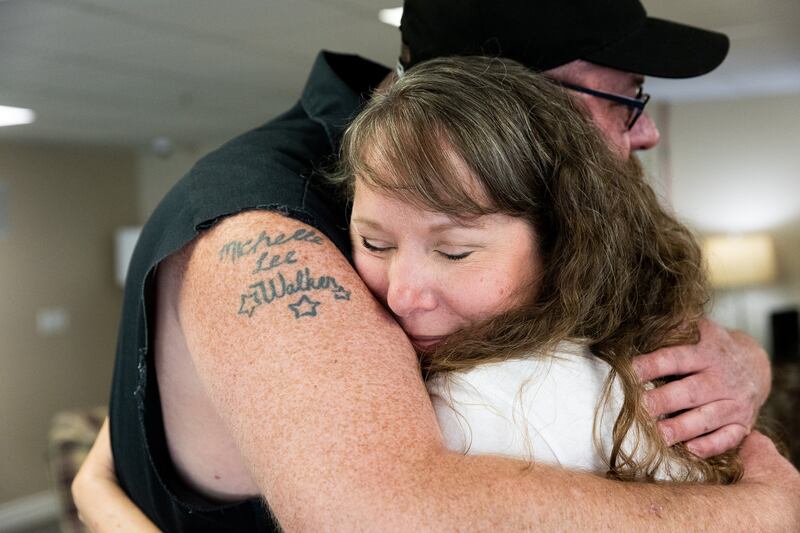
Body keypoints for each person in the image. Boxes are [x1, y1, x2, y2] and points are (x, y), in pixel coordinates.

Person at [73, 0, 797, 531]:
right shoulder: (264, 226)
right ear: (513, 109)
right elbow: (370, 515)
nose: (646, 129)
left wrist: (742, 359)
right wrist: (755, 513)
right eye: (624, 98)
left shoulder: (478, 188)